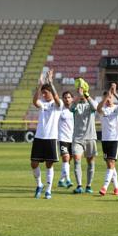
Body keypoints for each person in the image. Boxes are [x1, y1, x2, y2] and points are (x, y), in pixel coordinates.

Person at [30, 70, 61, 199]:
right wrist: (40, 85)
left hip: (51, 138)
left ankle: (48, 190)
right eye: (42, 93)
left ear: (51, 93)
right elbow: (35, 101)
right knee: (34, 163)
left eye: (45, 92)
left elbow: (58, 100)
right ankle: (39, 185)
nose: (43, 94)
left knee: (49, 164)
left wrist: (51, 83)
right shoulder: (42, 104)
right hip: (39, 137)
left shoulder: (57, 105)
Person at [97, 83, 118, 196]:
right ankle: (117, 188)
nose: (108, 100)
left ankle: (104, 187)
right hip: (105, 140)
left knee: (111, 163)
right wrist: (105, 96)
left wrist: (115, 93)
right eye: (106, 98)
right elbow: (98, 108)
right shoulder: (102, 110)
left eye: (110, 98)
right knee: (110, 165)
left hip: (114, 139)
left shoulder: (117, 109)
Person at [71, 77, 98, 194]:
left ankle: (89, 185)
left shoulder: (91, 103)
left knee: (90, 162)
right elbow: (71, 108)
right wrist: (78, 96)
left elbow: (95, 107)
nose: (80, 92)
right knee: (77, 159)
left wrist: (86, 95)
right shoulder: (76, 103)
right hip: (77, 138)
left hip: (90, 137)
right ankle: (79, 185)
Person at [57, 91, 74, 189]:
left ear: (72, 98)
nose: (67, 99)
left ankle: (61, 180)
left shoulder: (75, 110)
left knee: (68, 160)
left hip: (73, 138)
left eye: (68, 97)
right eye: (65, 97)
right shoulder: (60, 109)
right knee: (66, 158)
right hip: (63, 138)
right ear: (62, 99)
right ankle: (68, 180)